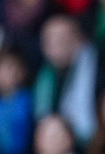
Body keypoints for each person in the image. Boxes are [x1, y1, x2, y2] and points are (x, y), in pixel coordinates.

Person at [32, 14, 97, 144]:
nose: (56, 45)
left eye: (62, 39)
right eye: (50, 40)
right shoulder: (42, 74)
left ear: (79, 40)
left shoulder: (98, 70)